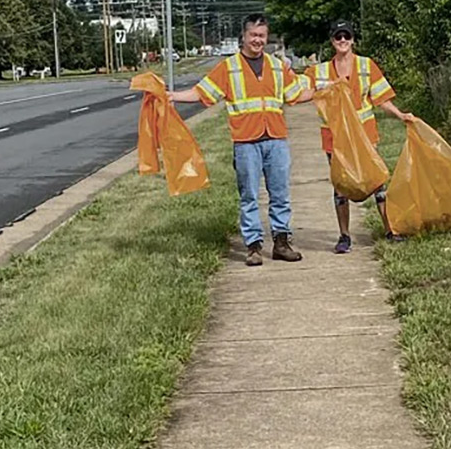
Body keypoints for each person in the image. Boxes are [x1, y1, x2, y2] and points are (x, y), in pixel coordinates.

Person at [170, 14, 314, 266]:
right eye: (253, 35)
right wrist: (173, 96)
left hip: (276, 139)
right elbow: (202, 92)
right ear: (244, 37)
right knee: (249, 195)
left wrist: (326, 88)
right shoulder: (229, 67)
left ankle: (281, 243)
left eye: (262, 35)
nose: (258, 40)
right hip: (246, 141)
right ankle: (254, 247)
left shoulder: (277, 66)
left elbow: (295, 94)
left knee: (280, 194)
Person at [305, 20, 415, 254]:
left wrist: (400, 114)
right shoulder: (321, 72)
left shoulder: (366, 66)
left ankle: (390, 230)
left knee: (377, 182)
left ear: (353, 40)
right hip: (335, 140)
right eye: (338, 37)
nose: (342, 40)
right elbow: (301, 91)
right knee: (341, 186)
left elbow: (381, 98)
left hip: (365, 136)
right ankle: (344, 236)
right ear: (332, 41)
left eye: (346, 36)